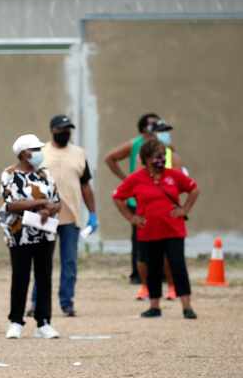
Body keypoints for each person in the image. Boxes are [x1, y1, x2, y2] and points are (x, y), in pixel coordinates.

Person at [112, 139, 199, 319]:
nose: (160, 159)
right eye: (156, 155)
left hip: (173, 230)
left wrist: (184, 209)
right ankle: (154, 306)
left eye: (162, 155)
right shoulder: (136, 178)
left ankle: (187, 307)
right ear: (146, 158)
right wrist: (131, 217)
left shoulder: (174, 175)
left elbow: (194, 189)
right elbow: (117, 197)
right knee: (153, 268)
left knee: (178, 266)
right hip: (148, 231)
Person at [104, 113, 184, 297]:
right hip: (144, 206)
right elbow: (134, 178)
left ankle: (170, 285)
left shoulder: (172, 153)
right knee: (143, 249)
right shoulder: (139, 150)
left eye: (166, 131)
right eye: (160, 130)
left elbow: (184, 183)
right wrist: (126, 181)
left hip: (167, 209)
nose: (165, 134)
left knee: (167, 250)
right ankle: (145, 284)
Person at [29, 115, 98, 317]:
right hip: (45, 217)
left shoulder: (79, 153)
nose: (65, 133)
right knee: (42, 262)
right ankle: (36, 302)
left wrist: (93, 213)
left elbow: (85, 186)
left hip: (71, 217)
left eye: (68, 129)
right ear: (52, 130)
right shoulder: (41, 152)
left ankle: (66, 303)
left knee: (69, 263)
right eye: (61, 129)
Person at [0, 134, 62, 340]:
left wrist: (49, 209)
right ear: (24, 153)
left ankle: (44, 322)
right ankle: (15, 321)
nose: (39, 153)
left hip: (45, 231)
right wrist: (40, 204)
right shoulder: (9, 174)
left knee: (44, 277)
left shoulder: (45, 174)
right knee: (21, 276)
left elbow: (57, 201)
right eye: (36, 150)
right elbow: (10, 203)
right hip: (19, 234)